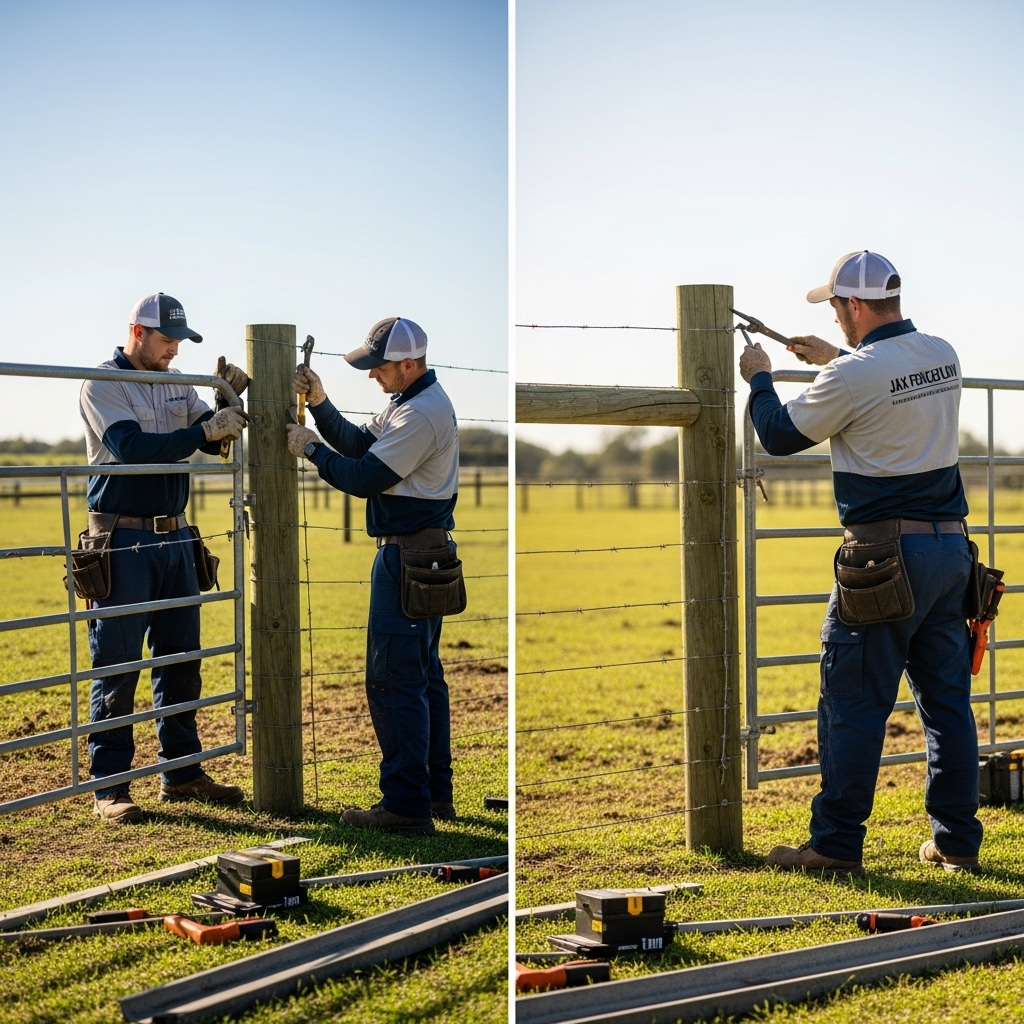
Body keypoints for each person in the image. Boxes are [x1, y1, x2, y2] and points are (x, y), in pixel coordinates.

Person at [739, 251, 982, 875]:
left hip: (882, 558)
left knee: (852, 700)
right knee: (947, 704)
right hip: (952, 550)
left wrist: (760, 378)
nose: (838, 319)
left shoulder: (852, 377)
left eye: (838, 308)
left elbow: (780, 435)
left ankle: (836, 845)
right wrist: (835, 358)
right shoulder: (942, 352)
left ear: (852, 306)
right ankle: (956, 841)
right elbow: (885, 378)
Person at [79, 292, 251, 822]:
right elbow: (132, 449)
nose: (174, 350)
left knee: (181, 658)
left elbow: (210, 440)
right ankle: (111, 784)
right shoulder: (103, 384)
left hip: (176, 536)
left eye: (180, 341)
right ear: (137, 332)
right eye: (167, 339)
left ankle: (182, 771)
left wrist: (226, 410)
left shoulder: (177, 381)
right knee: (119, 662)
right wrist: (204, 429)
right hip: (123, 538)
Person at [286, 317, 459, 836]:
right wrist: (319, 404)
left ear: (408, 364)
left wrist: (310, 449)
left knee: (392, 681)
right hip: (422, 555)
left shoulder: (422, 414)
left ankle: (406, 806)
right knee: (423, 679)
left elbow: (364, 477)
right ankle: (433, 795)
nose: (371, 376)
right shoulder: (408, 401)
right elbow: (361, 444)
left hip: (406, 558)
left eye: (378, 367)